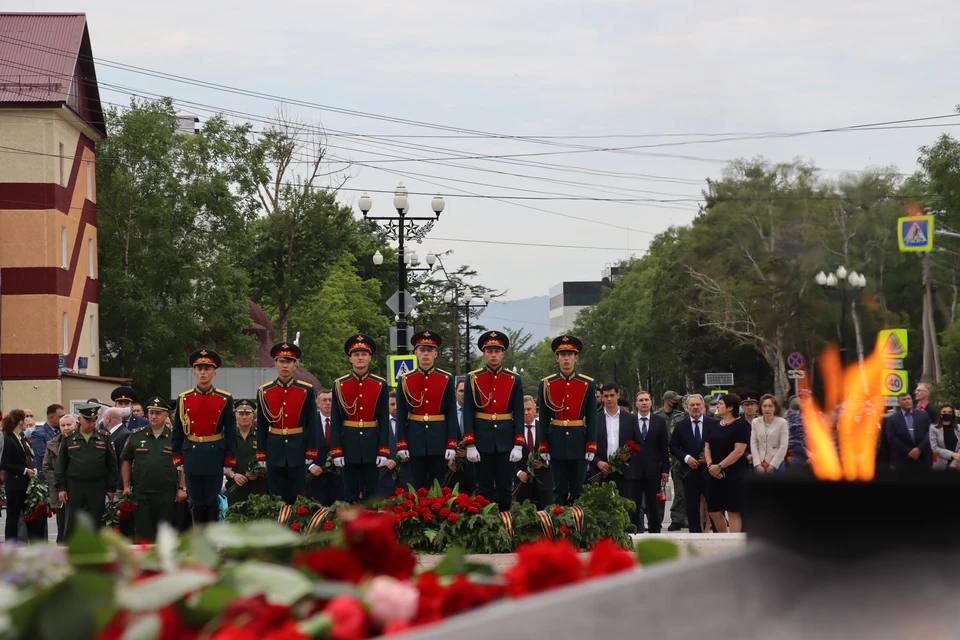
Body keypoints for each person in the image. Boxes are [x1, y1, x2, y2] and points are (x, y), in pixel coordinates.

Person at [171, 349, 237, 525]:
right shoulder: (183, 399)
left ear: (214, 373)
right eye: (199, 368)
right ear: (194, 372)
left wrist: (229, 460)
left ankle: (212, 542)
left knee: (212, 501)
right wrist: (177, 457)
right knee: (196, 501)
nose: (202, 372)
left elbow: (230, 432)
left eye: (207, 369)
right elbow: (177, 432)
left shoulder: (225, 399)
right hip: (192, 454)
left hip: (215, 455)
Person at [463, 331, 525, 512]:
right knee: (483, 487)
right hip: (482, 440)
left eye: (497, 351)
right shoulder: (473, 378)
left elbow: (519, 412)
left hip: (506, 439)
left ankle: (506, 521)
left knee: (506, 486)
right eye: (489, 351)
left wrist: (518, 443)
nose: (493, 354)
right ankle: (485, 523)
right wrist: (470, 443)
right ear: (484, 353)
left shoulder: (514, 379)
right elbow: (468, 411)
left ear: (503, 353)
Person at [256, 342, 319, 505]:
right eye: (281, 361)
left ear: (295, 365)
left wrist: (311, 451)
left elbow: (311, 423)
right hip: (274, 448)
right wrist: (261, 452)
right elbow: (262, 425)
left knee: (297, 496)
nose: (285, 365)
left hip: (297, 448)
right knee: (275, 497)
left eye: (289, 362)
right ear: (275, 364)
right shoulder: (265, 391)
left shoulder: (306, 390)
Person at [538, 335, 598, 506]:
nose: (566, 358)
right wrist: (543, 445)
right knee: (559, 489)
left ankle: (578, 526)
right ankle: (559, 526)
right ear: (556, 358)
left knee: (579, 489)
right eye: (562, 354)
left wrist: (591, 444)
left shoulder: (587, 383)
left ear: (576, 357)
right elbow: (543, 417)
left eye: (570, 354)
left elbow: (593, 417)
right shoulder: (546, 384)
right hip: (555, 439)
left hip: (579, 440)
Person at [330, 334, 390, 503]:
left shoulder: (380, 384)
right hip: (348, 443)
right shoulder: (340, 385)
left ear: (370, 357)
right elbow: (335, 419)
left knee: (372, 493)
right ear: (350, 358)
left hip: (372, 443)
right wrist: (336, 450)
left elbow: (384, 419)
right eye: (356, 354)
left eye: (364, 354)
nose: (360, 358)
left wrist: (384, 449)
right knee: (350, 493)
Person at [396, 330, 458, 491]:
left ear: (436, 354)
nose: (425, 354)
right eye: (422, 350)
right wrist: (401, 444)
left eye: (429, 350)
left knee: (439, 487)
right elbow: (401, 415)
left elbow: (451, 413)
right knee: (418, 487)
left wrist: (451, 443)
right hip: (414, 439)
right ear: (416, 352)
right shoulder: (405, 379)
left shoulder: (446, 379)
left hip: (439, 438)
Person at [120, 397, 186, 542]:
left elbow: (183, 465)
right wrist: (125, 486)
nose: (153, 416)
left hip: (166, 493)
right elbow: (126, 460)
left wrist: (182, 487)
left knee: (165, 532)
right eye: (151, 413)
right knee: (143, 532)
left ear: (165, 416)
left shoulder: (175, 438)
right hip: (141, 492)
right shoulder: (136, 435)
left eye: (157, 413)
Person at [55, 404, 118, 539]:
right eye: (88, 420)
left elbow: (112, 464)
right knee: (72, 521)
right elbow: (61, 464)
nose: (91, 423)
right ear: (80, 419)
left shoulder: (104, 436)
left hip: (97, 485)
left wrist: (110, 487)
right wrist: (61, 487)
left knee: (96, 520)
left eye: (94, 420)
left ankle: (95, 551)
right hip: (75, 484)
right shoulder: (69, 437)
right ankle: (69, 551)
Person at [591, 384, 643, 527]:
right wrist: (597, 462)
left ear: (618, 395)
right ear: (601, 398)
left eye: (612, 395)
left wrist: (629, 455)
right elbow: (587, 446)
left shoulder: (630, 418)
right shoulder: (594, 419)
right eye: (605, 396)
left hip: (624, 471)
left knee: (625, 510)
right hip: (601, 471)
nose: (609, 399)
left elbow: (639, 443)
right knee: (601, 510)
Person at [670, 394, 717, 533]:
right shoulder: (680, 425)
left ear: (703, 406)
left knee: (714, 505)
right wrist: (687, 458)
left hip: (710, 471)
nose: (695, 408)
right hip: (689, 472)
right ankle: (695, 534)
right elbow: (673, 447)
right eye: (692, 405)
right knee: (692, 507)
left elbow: (719, 445)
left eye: (698, 405)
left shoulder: (713, 423)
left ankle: (717, 533)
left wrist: (709, 458)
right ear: (686, 407)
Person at [703, 393, 750, 533]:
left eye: (721, 404)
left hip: (734, 473)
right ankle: (723, 537)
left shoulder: (741, 425)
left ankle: (734, 542)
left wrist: (720, 466)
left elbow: (738, 452)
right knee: (713, 510)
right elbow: (707, 446)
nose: (718, 406)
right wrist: (711, 466)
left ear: (730, 407)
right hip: (714, 473)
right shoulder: (715, 424)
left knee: (733, 511)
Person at [1, 410, 44, 543]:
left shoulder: (21, 438)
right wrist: (24, 470)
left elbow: (27, 458)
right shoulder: (9, 439)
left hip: (25, 484)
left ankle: (35, 544)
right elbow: (4, 464)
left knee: (31, 516)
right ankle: (10, 546)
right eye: (25, 420)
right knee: (13, 518)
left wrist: (33, 469)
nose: (27, 423)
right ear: (20, 422)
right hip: (14, 485)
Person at [633, 390, 670, 533]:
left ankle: (655, 530)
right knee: (635, 503)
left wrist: (665, 469)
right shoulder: (630, 420)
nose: (643, 403)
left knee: (653, 503)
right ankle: (636, 530)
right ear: (636, 403)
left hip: (653, 469)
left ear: (651, 402)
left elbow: (663, 446)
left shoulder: (659, 421)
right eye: (641, 400)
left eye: (646, 400)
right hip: (635, 469)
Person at [307, 388, 345, 506]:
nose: (328, 403)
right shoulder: (308, 423)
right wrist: (310, 465)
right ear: (318, 403)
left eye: (330, 400)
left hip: (339, 477)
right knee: (317, 514)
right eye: (324, 400)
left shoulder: (343, 422)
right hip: (315, 477)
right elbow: (300, 446)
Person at [225, 399, 268, 503]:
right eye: (241, 414)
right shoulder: (227, 437)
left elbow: (270, 460)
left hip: (258, 488)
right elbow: (219, 462)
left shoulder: (262, 436)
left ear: (253, 415)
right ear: (236, 415)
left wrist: (259, 472)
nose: (244, 417)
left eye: (247, 414)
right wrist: (233, 475)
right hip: (234, 487)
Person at [515, 395, 553, 510]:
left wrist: (545, 462)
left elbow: (554, 452)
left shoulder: (546, 429)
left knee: (545, 519)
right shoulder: (513, 430)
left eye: (529, 409)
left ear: (535, 410)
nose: (526, 413)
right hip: (523, 485)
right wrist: (518, 472)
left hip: (544, 483)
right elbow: (506, 456)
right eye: (523, 410)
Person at [42, 413, 76, 543]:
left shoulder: (83, 441)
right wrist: (59, 483)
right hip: (59, 491)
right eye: (63, 425)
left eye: (69, 424)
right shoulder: (52, 444)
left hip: (79, 488)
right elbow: (46, 467)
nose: (66, 428)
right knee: (62, 527)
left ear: (75, 425)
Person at [656, 391, 687, 531]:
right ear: (667, 401)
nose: (677, 402)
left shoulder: (681, 416)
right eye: (674, 400)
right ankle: (657, 519)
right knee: (657, 490)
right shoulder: (656, 416)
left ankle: (677, 519)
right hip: (659, 458)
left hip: (676, 458)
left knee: (680, 490)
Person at [885, 392, 933, 472]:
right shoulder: (892, 419)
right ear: (898, 403)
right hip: (903, 459)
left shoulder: (923, 415)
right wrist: (909, 451)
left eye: (909, 399)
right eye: (904, 399)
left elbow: (930, 432)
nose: (907, 401)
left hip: (923, 457)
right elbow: (892, 438)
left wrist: (919, 449)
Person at [447, 379, 477, 494]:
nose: (463, 394)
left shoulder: (477, 413)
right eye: (461, 391)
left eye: (467, 391)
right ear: (455, 393)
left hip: (473, 466)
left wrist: (470, 451)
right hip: (451, 466)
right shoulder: (448, 412)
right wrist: (449, 459)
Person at [750, 394, 789, 473]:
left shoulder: (782, 423)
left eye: (770, 406)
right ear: (760, 407)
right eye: (764, 406)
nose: (767, 409)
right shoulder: (755, 422)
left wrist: (772, 465)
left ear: (775, 407)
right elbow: (753, 443)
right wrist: (757, 464)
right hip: (760, 464)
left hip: (777, 464)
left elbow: (783, 445)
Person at [31, 403, 64, 471]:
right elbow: (42, 456)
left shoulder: (62, 432)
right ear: (51, 417)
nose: (63, 419)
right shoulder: (38, 434)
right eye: (61, 417)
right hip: (46, 474)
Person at [930, 403, 960, 471]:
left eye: (950, 412)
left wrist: (955, 462)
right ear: (940, 414)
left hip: (957, 463)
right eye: (944, 412)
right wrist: (952, 454)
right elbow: (934, 448)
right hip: (940, 464)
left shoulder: (959, 428)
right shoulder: (933, 428)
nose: (947, 413)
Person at [739, 390, 760, 465]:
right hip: (741, 461)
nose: (750, 407)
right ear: (742, 407)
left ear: (757, 406)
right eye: (747, 405)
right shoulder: (737, 423)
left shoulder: (763, 422)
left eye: (752, 404)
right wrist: (746, 455)